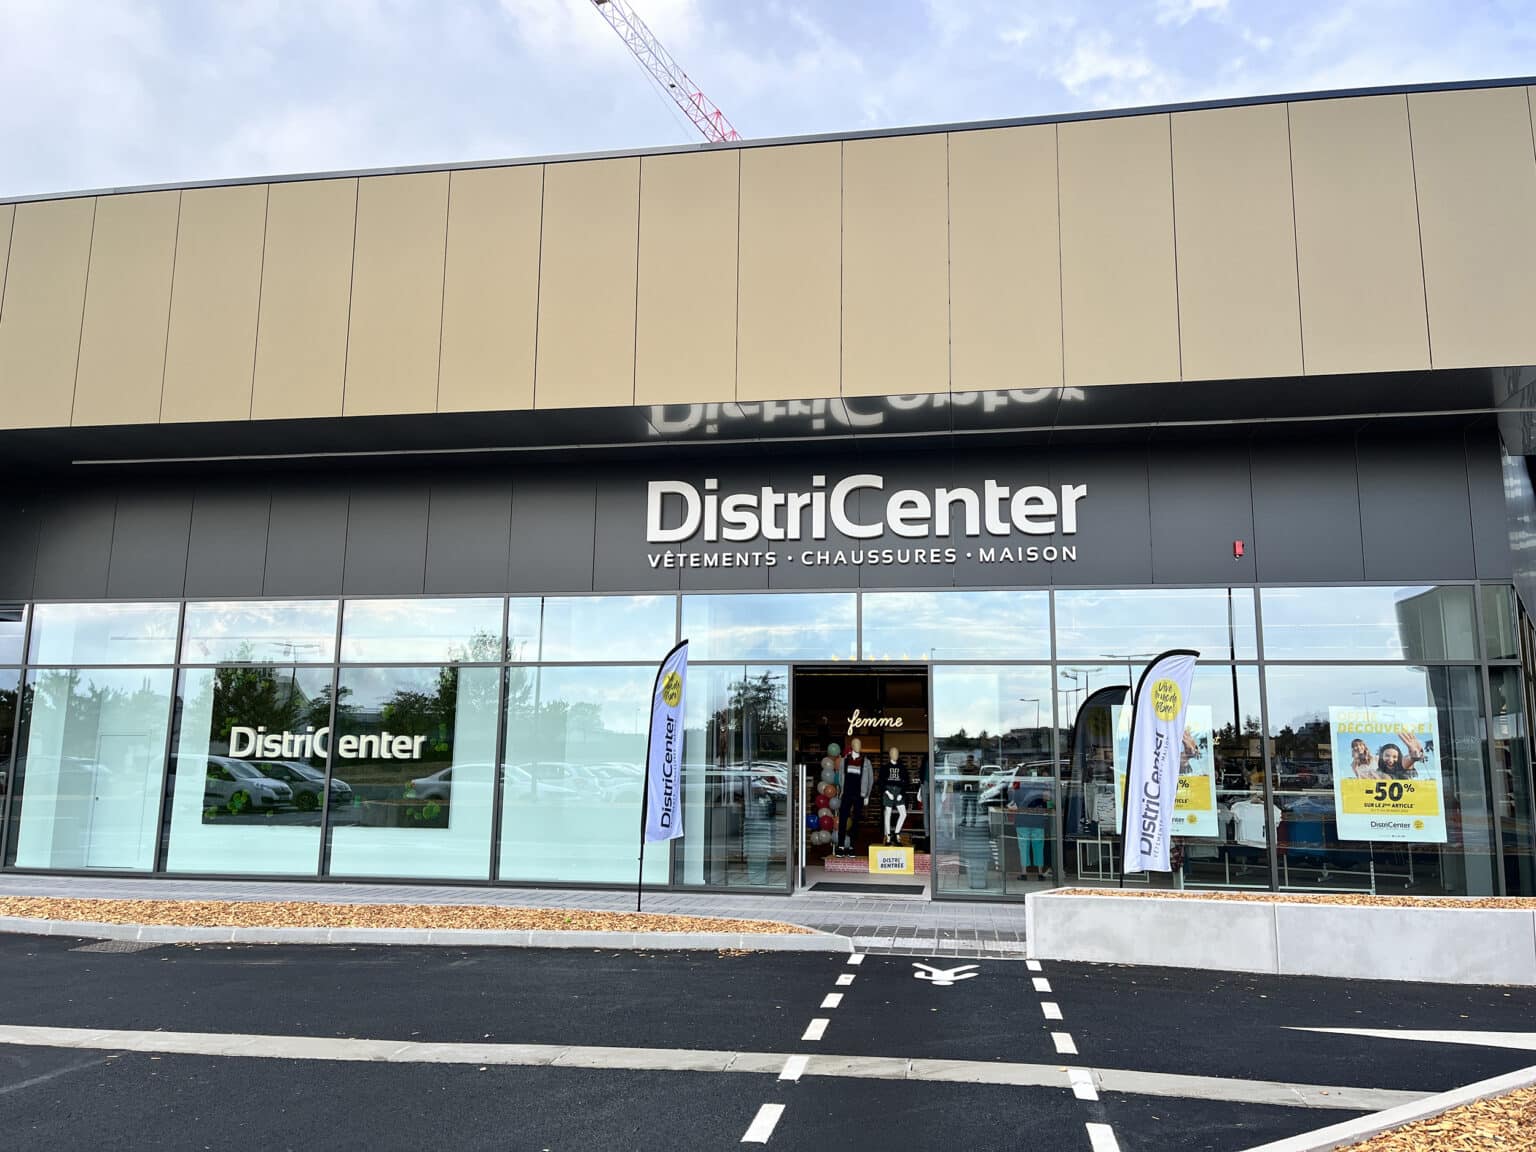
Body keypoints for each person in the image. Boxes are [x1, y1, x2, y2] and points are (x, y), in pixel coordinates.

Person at [836, 738, 872, 857]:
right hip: (847, 793)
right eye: (856, 744)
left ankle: (851, 846)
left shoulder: (866, 762)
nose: (858, 746)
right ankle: (841, 845)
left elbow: (870, 779)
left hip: (859, 794)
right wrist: (842, 790)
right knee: (843, 819)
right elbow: (841, 777)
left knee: (856, 820)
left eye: (860, 744)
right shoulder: (844, 761)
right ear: (852, 746)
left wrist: (866, 795)